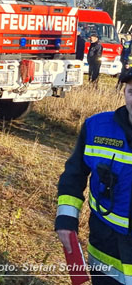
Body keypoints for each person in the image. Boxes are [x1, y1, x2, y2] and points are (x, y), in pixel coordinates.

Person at [55, 73, 132, 284]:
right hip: (106, 242)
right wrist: (66, 221)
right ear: (124, 92)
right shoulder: (96, 127)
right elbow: (74, 174)